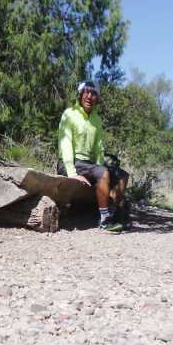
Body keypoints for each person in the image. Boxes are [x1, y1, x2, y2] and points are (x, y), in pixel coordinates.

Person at [57, 81, 129, 232]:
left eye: (93, 93)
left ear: (97, 98)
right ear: (81, 95)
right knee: (103, 173)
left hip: (89, 165)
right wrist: (72, 173)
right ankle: (104, 220)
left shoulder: (96, 119)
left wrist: (102, 171)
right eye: (86, 92)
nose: (89, 96)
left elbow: (98, 148)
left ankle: (115, 215)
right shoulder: (69, 114)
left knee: (122, 175)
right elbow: (65, 144)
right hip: (70, 163)